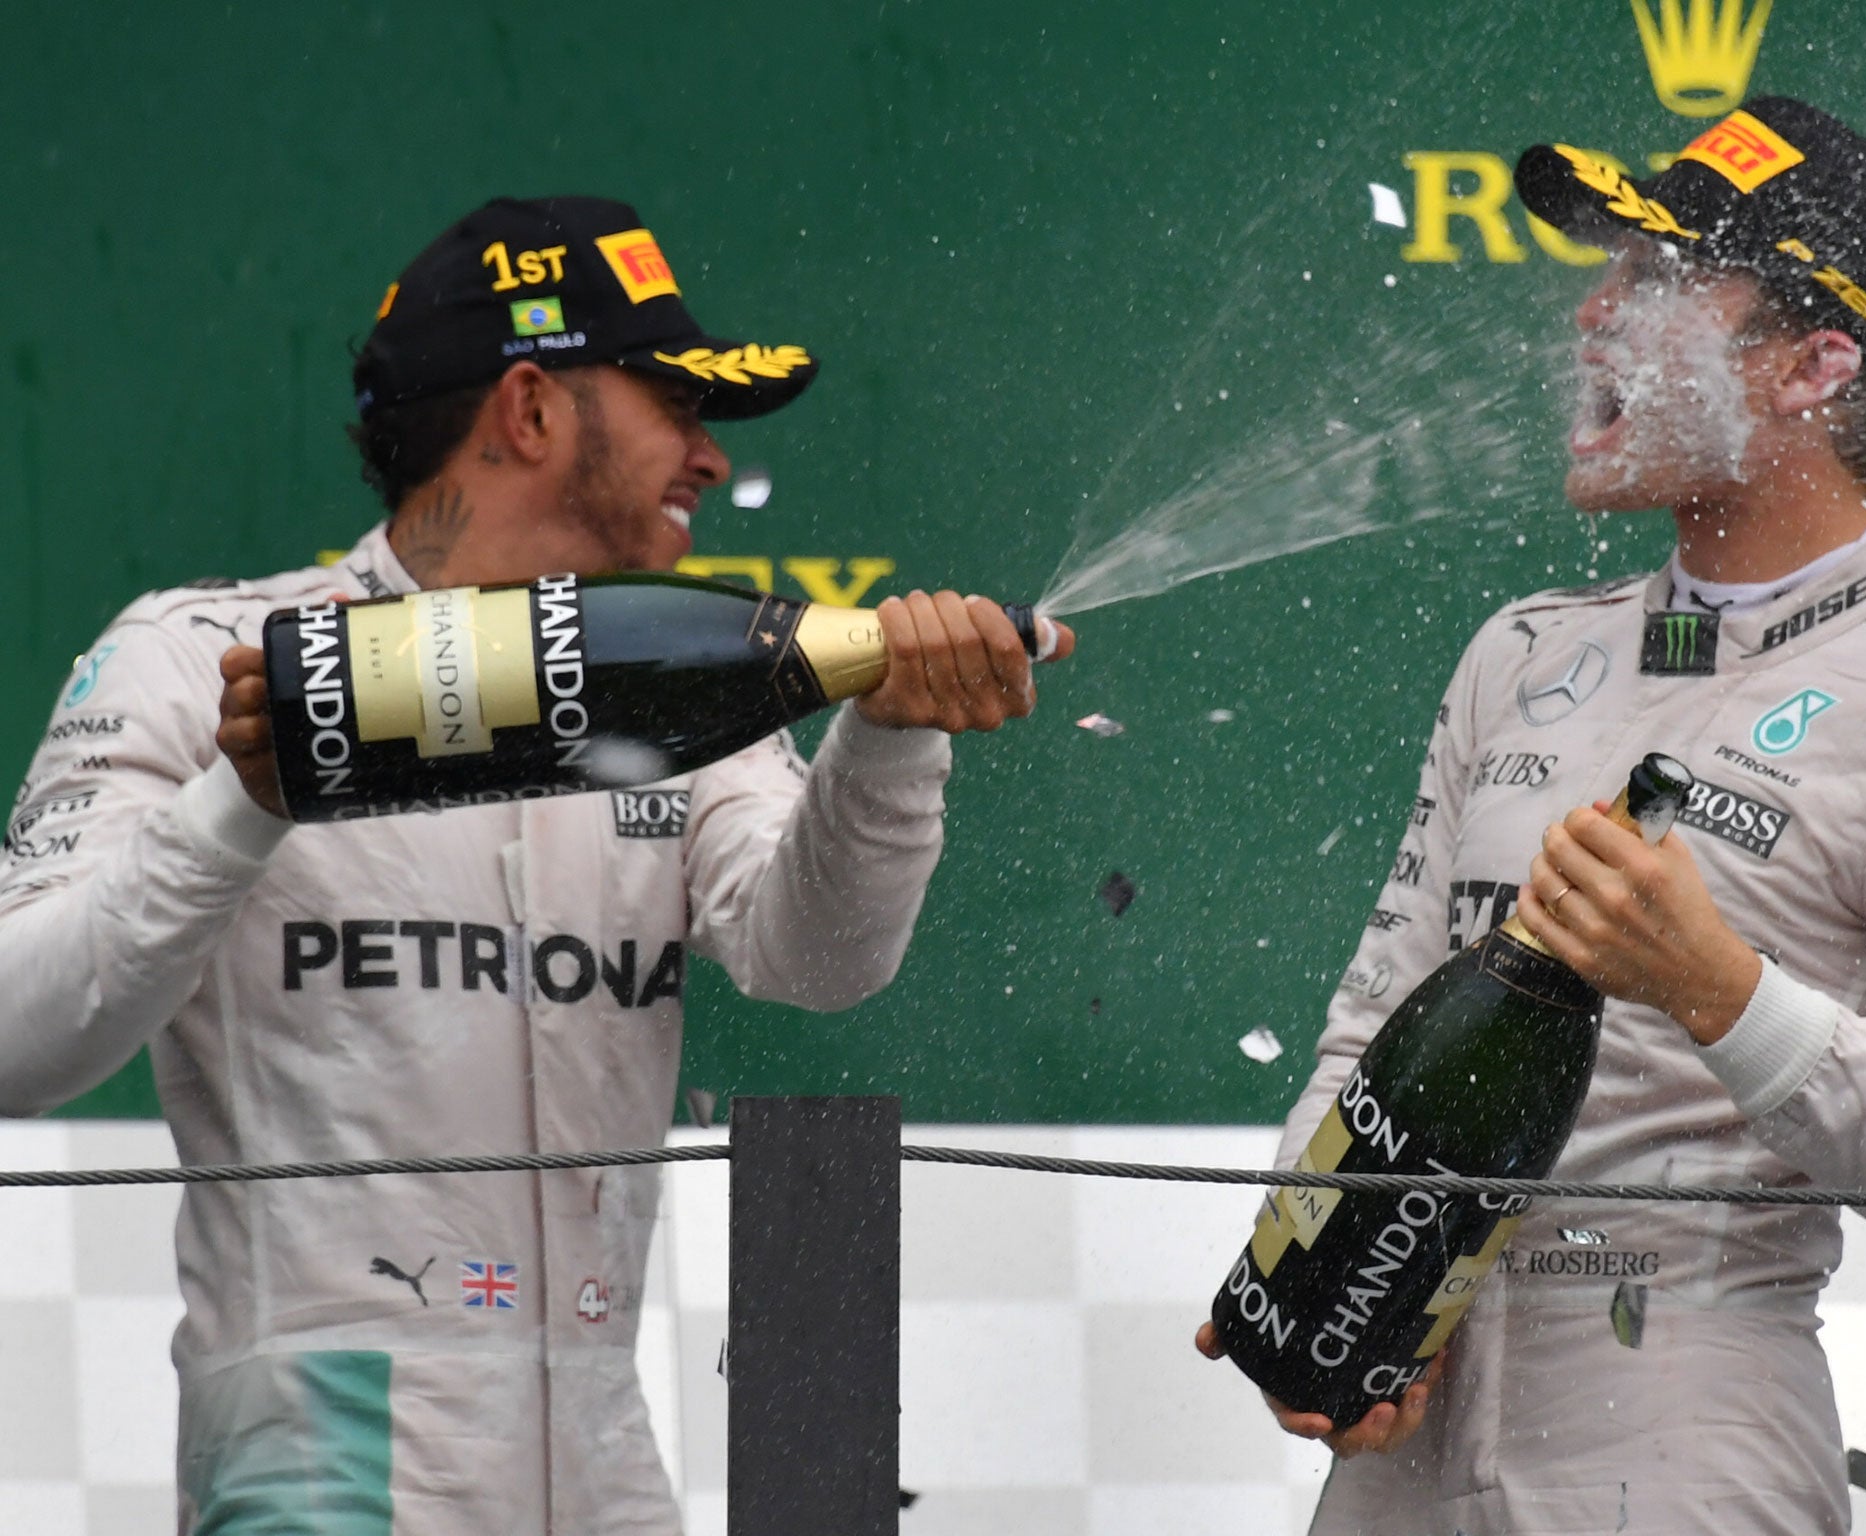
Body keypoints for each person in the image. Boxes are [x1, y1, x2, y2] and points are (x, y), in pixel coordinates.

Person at [0, 195, 1072, 1534]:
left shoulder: (683, 688)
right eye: (673, 404)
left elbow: (820, 964)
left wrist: (892, 741)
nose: (704, 455)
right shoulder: (199, 661)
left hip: (600, 1456)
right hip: (324, 1455)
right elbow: (12, 1041)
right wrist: (248, 799)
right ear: (530, 409)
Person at [1198, 98, 1866, 1533]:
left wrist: (1719, 989)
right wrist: (1330, 1283)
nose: (1592, 313)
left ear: (1810, 365)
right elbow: (1366, 1033)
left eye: (1655, 278)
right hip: (1401, 1439)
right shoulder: (1522, 654)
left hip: (1685, 1435)